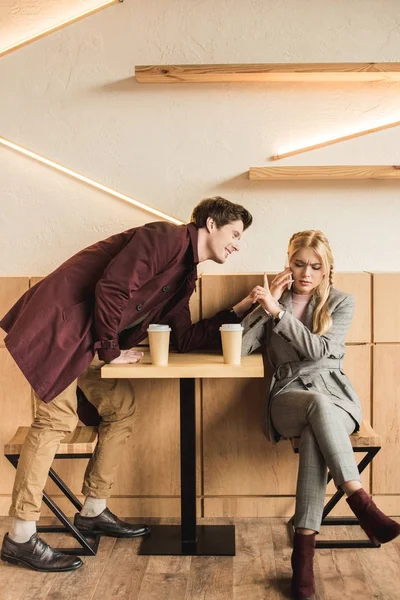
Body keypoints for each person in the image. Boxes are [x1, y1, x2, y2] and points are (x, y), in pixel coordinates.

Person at [0, 196, 253, 572]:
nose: (236, 244)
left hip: (88, 343)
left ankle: (93, 510)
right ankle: (19, 535)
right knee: (54, 421)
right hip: (65, 330)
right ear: (211, 224)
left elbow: (181, 337)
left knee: (122, 409)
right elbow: (112, 288)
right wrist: (112, 351)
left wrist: (243, 307)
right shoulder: (165, 238)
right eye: (234, 233)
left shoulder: (186, 276)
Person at [240, 230, 400, 600]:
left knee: (319, 425)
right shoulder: (274, 299)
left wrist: (279, 313)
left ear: (328, 268)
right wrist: (265, 306)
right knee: (315, 409)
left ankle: (303, 566)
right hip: (288, 397)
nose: (306, 273)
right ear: (288, 263)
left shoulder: (342, 302)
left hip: (336, 398)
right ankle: (358, 497)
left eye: (316, 266)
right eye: (299, 264)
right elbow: (243, 346)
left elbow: (318, 352)